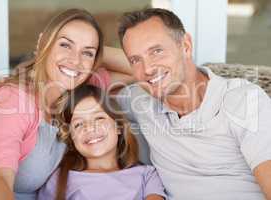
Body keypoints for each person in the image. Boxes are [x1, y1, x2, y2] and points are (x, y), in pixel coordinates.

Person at [113, 8, 271, 200]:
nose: (147, 69)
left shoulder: (243, 100)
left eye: (157, 51)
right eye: (135, 60)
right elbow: (84, 73)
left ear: (186, 46)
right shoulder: (140, 100)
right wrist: (83, 55)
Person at [0, 8, 129, 200]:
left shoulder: (77, 90)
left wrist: (94, 51)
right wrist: (87, 49)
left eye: (86, 53)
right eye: (65, 45)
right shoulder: (10, 101)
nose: (75, 60)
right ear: (43, 42)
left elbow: (140, 69)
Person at [37, 85, 166, 200]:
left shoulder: (147, 175)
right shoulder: (59, 180)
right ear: (71, 138)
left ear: (119, 126)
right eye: (78, 124)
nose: (90, 127)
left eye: (99, 118)